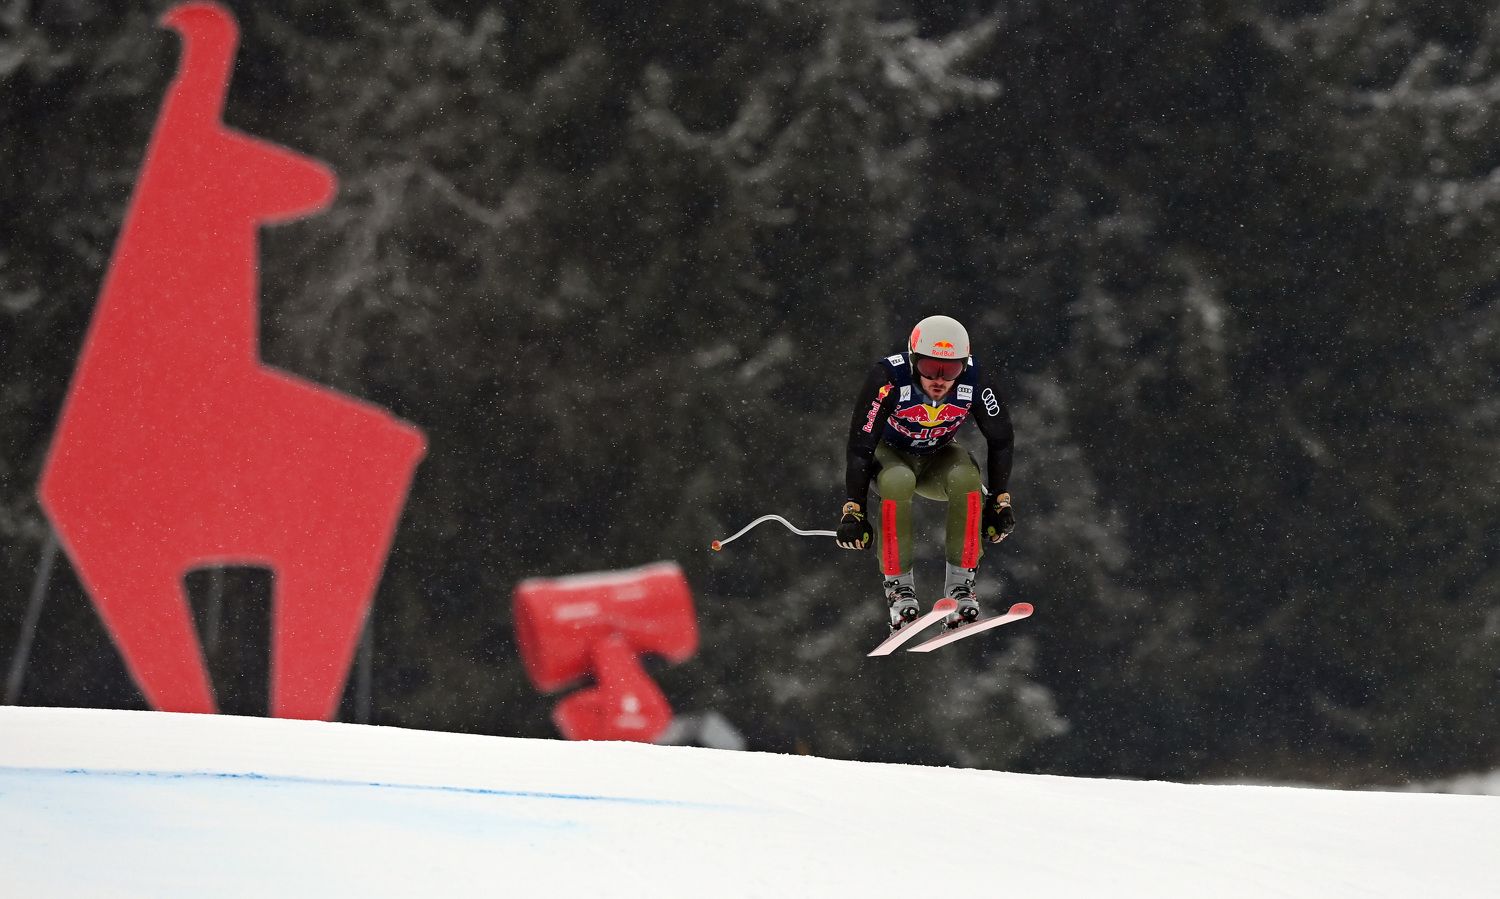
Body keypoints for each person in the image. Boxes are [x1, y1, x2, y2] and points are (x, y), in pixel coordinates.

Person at [835, 315, 1016, 631]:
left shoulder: (976, 380)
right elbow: (860, 444)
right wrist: (855, 510)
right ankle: (899, 591)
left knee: (966, 479)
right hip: (889, 456)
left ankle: (961, 588)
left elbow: (1001, 439)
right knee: (898, 480)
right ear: (913, 358)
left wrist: (999, 502)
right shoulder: (889, 377)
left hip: (936, 458)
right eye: (930, 368)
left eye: (952, 370)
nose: (940, 380)